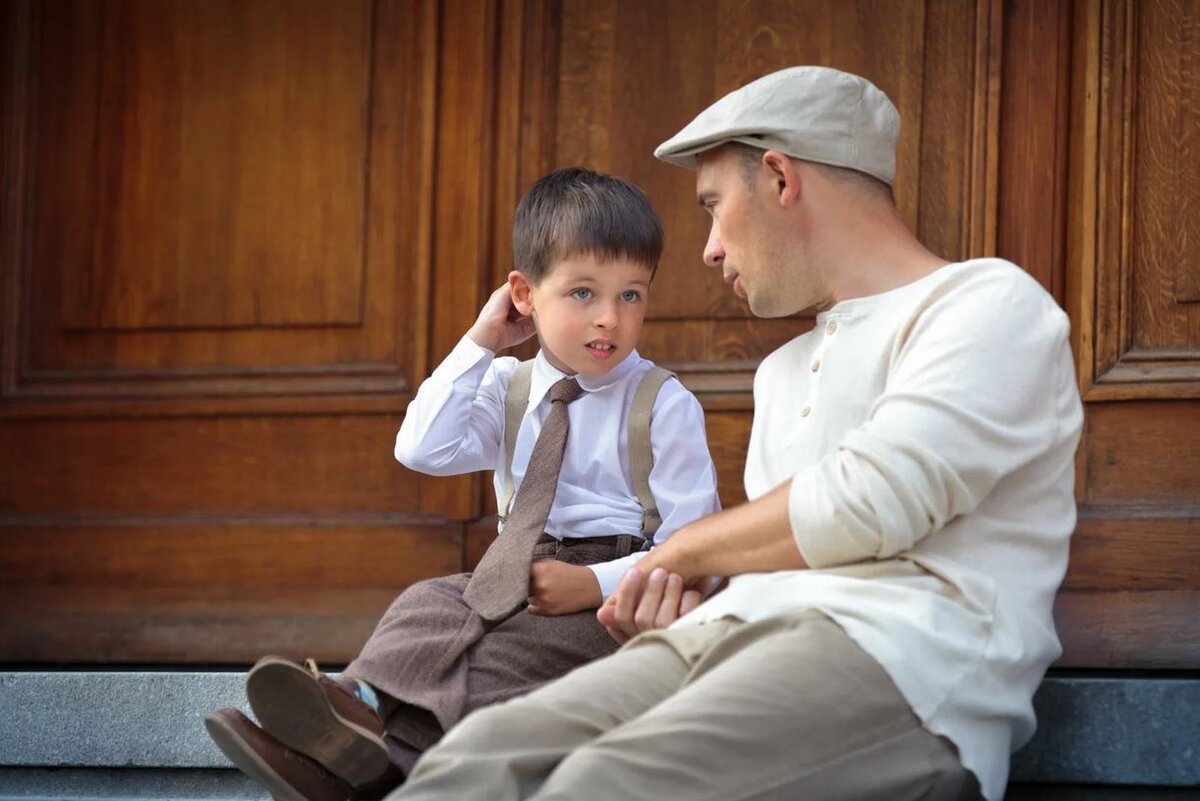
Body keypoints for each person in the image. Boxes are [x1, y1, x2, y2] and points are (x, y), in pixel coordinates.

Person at [387, 66, 1084, 801]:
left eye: (715, 207)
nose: (710, 249)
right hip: (729, 635)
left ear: (781, 178)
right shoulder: (780, 373)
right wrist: (684, 598)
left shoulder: (985, 304)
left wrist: (685, 551)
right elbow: (770, 563)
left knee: (600, 784)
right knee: (478, 757)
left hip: (905, 665)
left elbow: (871, 500)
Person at [203, 167, 721, 801]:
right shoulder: (505, 386)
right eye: (582, 293)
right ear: (524, 295)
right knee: (429, 604)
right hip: (511, 569)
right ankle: (350, 707)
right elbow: (421, 447)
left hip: (613, 591)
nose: (609, 318)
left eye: (631, 295)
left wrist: (591, 584)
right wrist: (481, 341)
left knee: (502, 657)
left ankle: (365, 763)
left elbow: (697, 543)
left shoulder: (662, 403)